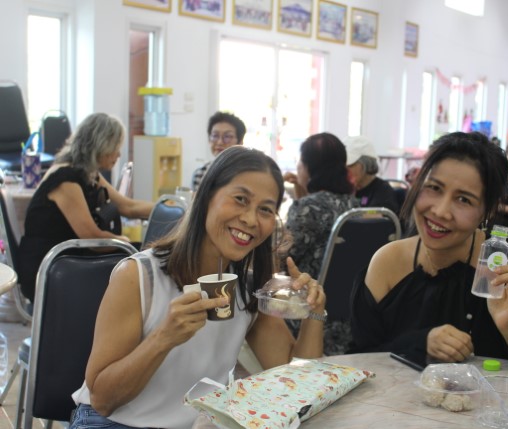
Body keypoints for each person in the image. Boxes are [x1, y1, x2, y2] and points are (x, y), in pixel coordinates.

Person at [69, 146, 326, 429]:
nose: (251, 220)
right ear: (206, 197)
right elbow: (103, 400)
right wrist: (164, 337)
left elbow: (296, 383)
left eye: (265, 209)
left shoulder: (248, 288)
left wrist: (314, 312)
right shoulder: (139, 276)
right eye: (240, 199)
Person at [350, 132, 508, 363]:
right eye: (434, 188)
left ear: (487, 211)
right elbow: (360, 358)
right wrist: (420, 343)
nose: (440, 211)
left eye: (464, 200)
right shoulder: (387, 263)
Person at [17, 113, 153, 302]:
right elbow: (92, 237)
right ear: (101, 145)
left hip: (69, 260)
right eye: (115, 147)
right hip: (48, 269)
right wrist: (126, 243)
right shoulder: (66, 180)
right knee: (139, 262)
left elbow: (127, 206)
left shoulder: (87, 173)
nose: (118, 154)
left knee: (143, 255)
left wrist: (167, 207)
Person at [284, 132, 358, 355]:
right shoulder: (355, 206)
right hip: (348, 323)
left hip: (308, 314)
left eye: (300, 161)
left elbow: (282, 258)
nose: (298, 166)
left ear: (310, 167)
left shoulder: (308, 208)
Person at [344, 136, 399, 214]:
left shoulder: (382, 192)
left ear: (366, 163)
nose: (345, 169)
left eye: (350, 165)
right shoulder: (345, 190)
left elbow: (375, 218)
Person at [191, 111, 246, 191]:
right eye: (215, 136)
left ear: (240, 142)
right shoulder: (201, 173)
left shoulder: (247, 173)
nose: (220, 142)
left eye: (227, 136)